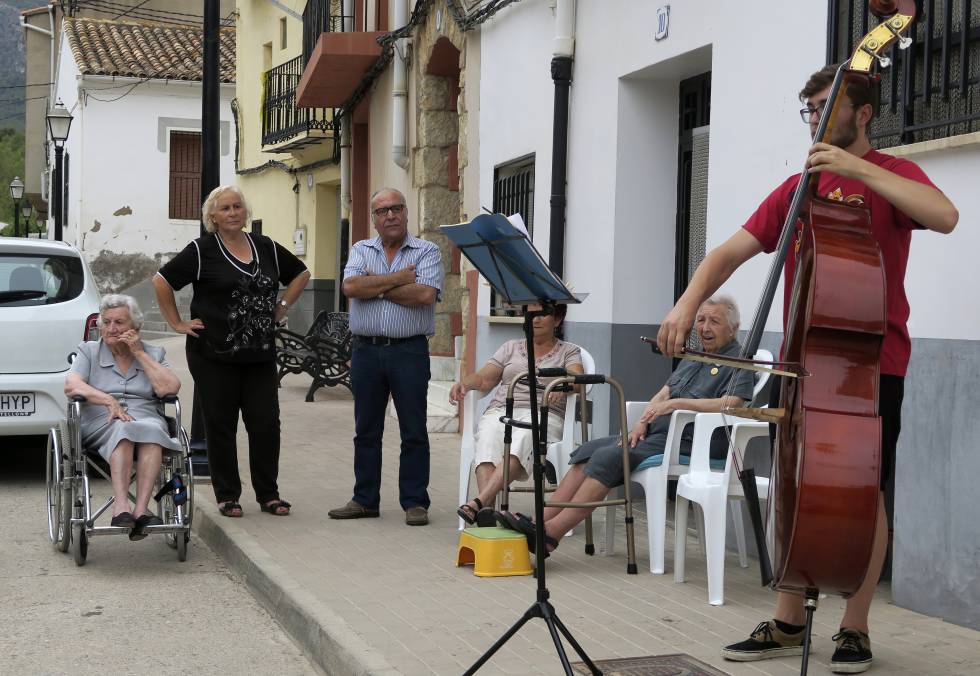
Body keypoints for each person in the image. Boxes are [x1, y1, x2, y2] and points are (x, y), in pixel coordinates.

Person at [657, 65, 958, 674]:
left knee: (865, 494)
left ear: (862, 113)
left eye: (825, 106)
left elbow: (946, 215)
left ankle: (855, 626)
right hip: (802, 360)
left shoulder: (893, 175)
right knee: (794, 484)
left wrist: (858, 169)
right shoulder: (798, 188)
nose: (815, 119)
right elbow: (728, 252)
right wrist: (687, 302)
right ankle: (790, 618)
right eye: (810, 109)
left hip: (872, 363)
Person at [497, 296, 754, 553]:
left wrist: (678, 405)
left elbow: (734, 403)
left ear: (733, 328)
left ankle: (552, 534)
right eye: (701, 320)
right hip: (658, 434)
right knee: (589, 451)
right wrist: (642, 423)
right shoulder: (694, 356)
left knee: (610, 456)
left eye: (714, 322)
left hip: (692, 442)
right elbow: (663, 394)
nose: (705, 328)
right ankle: (540, 522)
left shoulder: (739, 359)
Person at [153, 185, 310, 518]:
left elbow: (301, 273)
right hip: (213, 355)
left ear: (245, 212)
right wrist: (177, 323)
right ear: (213, 216)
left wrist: (281, 306)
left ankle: (268, 494)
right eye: (225, 208)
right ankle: (228, 495)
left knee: (266, 423)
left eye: (238, 206)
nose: (233, 213)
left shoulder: (264, 246)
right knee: (221, 425)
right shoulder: (201, 250)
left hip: (260, 354)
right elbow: (161, 280)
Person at [327, 188, 444, 526]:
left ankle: (414, 502)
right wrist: (397, 280)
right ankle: (365, 499)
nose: (390, 215)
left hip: (409, 351)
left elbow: (423, 294)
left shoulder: (427, 251)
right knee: (365, 429)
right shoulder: (361, 249)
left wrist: (373, 284)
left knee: (413, 430)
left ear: (406, 213)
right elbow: (350, 289)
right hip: (366, 350)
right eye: (382, 211)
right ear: (374, 218)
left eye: (396, 208)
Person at [449, 303, 584, 526]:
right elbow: (484, 378)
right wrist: (464, 384)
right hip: (503, 409)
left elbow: (577, 379)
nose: (535, 319)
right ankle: (486, 512)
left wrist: (564, 386)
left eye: (542, 314)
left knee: (523, 436)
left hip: (543, 414)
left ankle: (479, 502)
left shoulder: (569, 351)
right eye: (530, 314)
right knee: (488, 434)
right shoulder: (510, 347)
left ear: (557, 319)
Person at [64, 294, 182, 540]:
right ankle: (120, 506)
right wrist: (108, 400)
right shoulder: (88, 351)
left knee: (152, 431)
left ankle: (140, 511)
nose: (111, 328)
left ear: (135, 327)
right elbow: (72, 385)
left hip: (146, 417)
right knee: (123, 429)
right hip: (102, 420)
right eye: (106, 322)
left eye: (119, 322)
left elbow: (169, 388)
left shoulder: (153, 353)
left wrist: (139, 352)